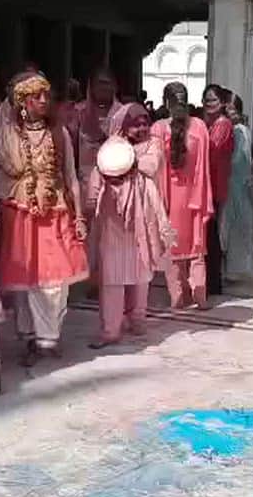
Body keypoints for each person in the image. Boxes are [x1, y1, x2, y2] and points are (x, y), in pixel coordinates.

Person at [0, 72, 89, 365]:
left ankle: (49, 337)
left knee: (55, 281)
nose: (44, 101)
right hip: (19, 210)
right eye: (36, 97)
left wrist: (80, 216)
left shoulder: (59, 134)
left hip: (56, 211)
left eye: (46, 96)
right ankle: (30, 337)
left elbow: (72, 177)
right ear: (22, 102)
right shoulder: (6, 133)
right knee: (24, 281)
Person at [86, 103, 172, 348]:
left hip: (141, 218)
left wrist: (125, 160)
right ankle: (110, 329)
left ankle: (137, 319)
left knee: (141, 272)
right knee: (112, 276)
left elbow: (150, 166)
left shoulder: (152, 145)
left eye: (145, 122)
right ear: (123, 126)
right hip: (112, 220)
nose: (142, 127)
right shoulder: (110, 148)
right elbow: (98, 174)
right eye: (136, 124)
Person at [151, 82, 214, 311]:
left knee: (173, 249)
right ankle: (200, 295)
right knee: (197, 248)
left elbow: (156, 167)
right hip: (193, 197)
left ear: (166, 103)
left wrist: (158, 200)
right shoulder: (199, 126)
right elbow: (203, 166)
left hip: (170, 197)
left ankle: (177, 297)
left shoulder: (158, 128)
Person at [71, 69, 125, 290]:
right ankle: (83, 279)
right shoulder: (79, 112)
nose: (103, 89)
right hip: (83, 182)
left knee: (109, 235)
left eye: (107, 84)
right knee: (83, 234)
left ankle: (106, 280)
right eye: (99, 84)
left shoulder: (123, 113)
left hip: (114, 183)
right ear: (91, 86)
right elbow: (70, 147)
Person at [201, 84, 234, 298]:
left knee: (212, 235)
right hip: (206, 184)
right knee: (207, 234)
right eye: (206, 100)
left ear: (222, 103)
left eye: (213, 100)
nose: (209, 104)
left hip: (215, 185)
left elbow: (210, 150)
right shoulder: (209, 123)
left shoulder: (223, 125)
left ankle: (214, 282)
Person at [221, 93, 253, 278]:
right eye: (228, 109)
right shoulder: (230, 128)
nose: (230, 113)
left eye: (233, 110)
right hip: (232, 182)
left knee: (233, 225)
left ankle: (233, 269)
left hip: (236, 183)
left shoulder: (240, 130)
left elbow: (240, 159)